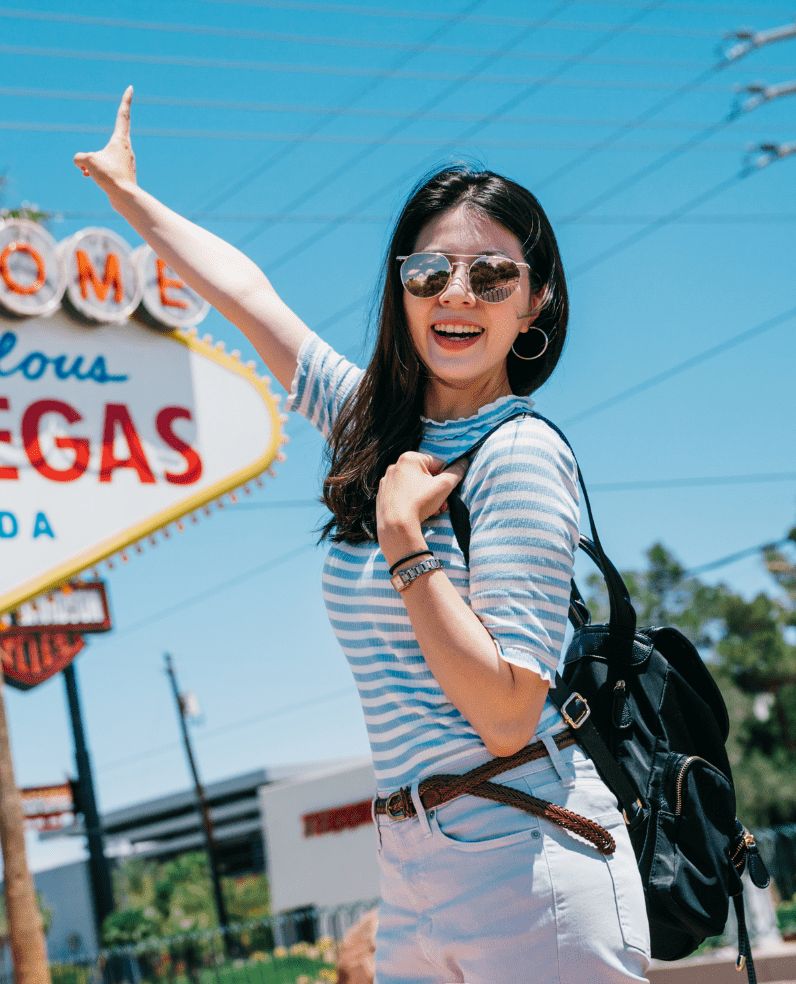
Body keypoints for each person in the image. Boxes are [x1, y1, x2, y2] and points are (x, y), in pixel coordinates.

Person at [75, 89, 651, 984]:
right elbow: (248, 296)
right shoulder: (372, 425)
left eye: (492, 277)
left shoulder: (519, 455)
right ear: (402, 286)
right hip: (411, 862)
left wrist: (401, 539)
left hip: (525, 851)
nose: (457, 296)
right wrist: (131, 199)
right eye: (431, 273)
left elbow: (504, 714)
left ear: (535, 301)